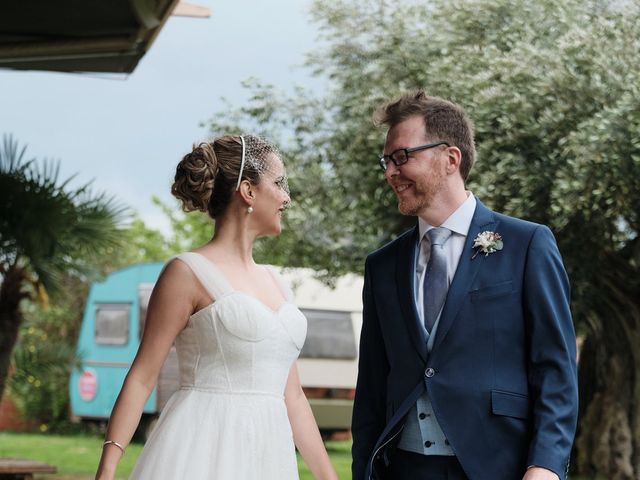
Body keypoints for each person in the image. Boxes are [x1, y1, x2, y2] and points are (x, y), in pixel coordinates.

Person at [351, 91, 578, 480]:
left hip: (497, 464)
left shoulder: (527, 244)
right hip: (403, 468)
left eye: (402, 157)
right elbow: (372, 386)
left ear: (450, 158)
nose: (390, 172)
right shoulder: (382, 266)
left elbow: (555, 369)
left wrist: (545, 466)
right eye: (386, 161)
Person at [95, 134, 338, 480]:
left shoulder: (278, 283)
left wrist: (329, 476)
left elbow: (294, 398)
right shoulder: (186, 273)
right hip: (199, 452)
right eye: (279, 182)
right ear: (248, 191)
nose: (286, 196)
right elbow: (142, 377)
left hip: (268, 458)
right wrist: (107, 469)